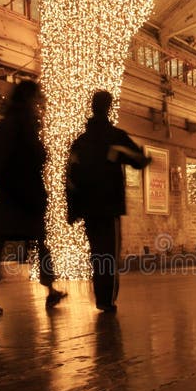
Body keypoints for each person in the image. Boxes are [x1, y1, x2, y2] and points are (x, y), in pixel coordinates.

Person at [0, 79, 66, 316]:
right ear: (29, 100)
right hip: (26, 197)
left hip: (8, 196)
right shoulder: (25, 126)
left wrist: (4, 181)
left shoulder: (4, 125)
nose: (38, 104)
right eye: (36, 99)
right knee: (40, 243)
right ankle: (50, 290)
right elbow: (38, 156)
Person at [66, 89, 151, 313]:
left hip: (88, 208)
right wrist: (144, 158)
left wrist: (72, 209)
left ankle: (100, 298)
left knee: (97, 253)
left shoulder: (80, 142)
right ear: (109, 107)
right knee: (109, 254)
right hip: (109, 205)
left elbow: (70, 177)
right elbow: (137, 160)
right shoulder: (115, 136)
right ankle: (106, 300)